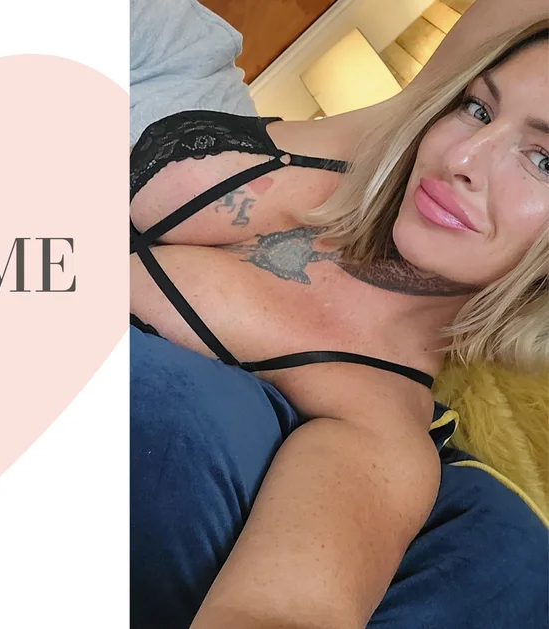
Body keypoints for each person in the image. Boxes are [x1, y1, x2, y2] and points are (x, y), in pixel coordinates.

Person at [129, 1, 549, 627]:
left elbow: (280, 610)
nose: (461, 159)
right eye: (478, 108)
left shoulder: (376, 427)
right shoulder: (396, 129)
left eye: (544, 161)